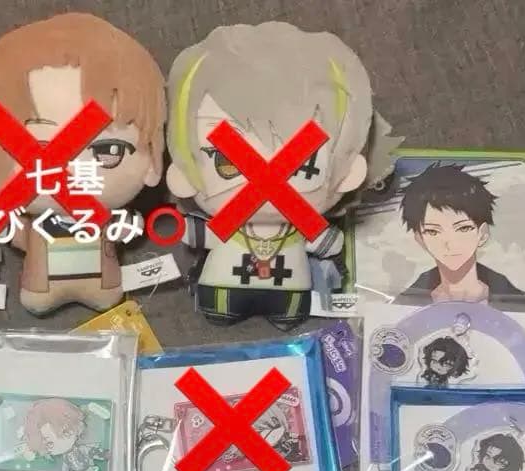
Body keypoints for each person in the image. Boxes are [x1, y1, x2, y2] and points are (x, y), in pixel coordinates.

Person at [166, 22, 400, 326]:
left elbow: (331, 243)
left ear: (348, 173)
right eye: (228, 162)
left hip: (290, 291)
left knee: (287, 309)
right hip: (223, 288)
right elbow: (193, 233)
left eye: (303, 163)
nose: (264, 179)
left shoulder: (302, 225)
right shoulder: (230, 223)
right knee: (222, 305)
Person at [0, 13, 166, 315]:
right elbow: (15, 233)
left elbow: (124, 228)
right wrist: (7, 223)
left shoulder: (103, 217)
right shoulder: (35, 221)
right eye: (38, 149)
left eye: (108, 150)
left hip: (104, 283)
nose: (69, 170)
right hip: (41, 285)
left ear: (152, 164)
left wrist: (127, 225)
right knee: (37, 294)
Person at [399, 163, 525, 303]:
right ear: (420, 239)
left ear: (483, 234)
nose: (450, 244)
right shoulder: (403, 304)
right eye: (433, 231)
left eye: (463, 229)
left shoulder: (522, 304)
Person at [21, 398, 107, 471]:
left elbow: (95, 452)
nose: (50, 449)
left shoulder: (83, 449)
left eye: (65, 433)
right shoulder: (65, 460)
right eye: (49, 444)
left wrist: (106, 455)